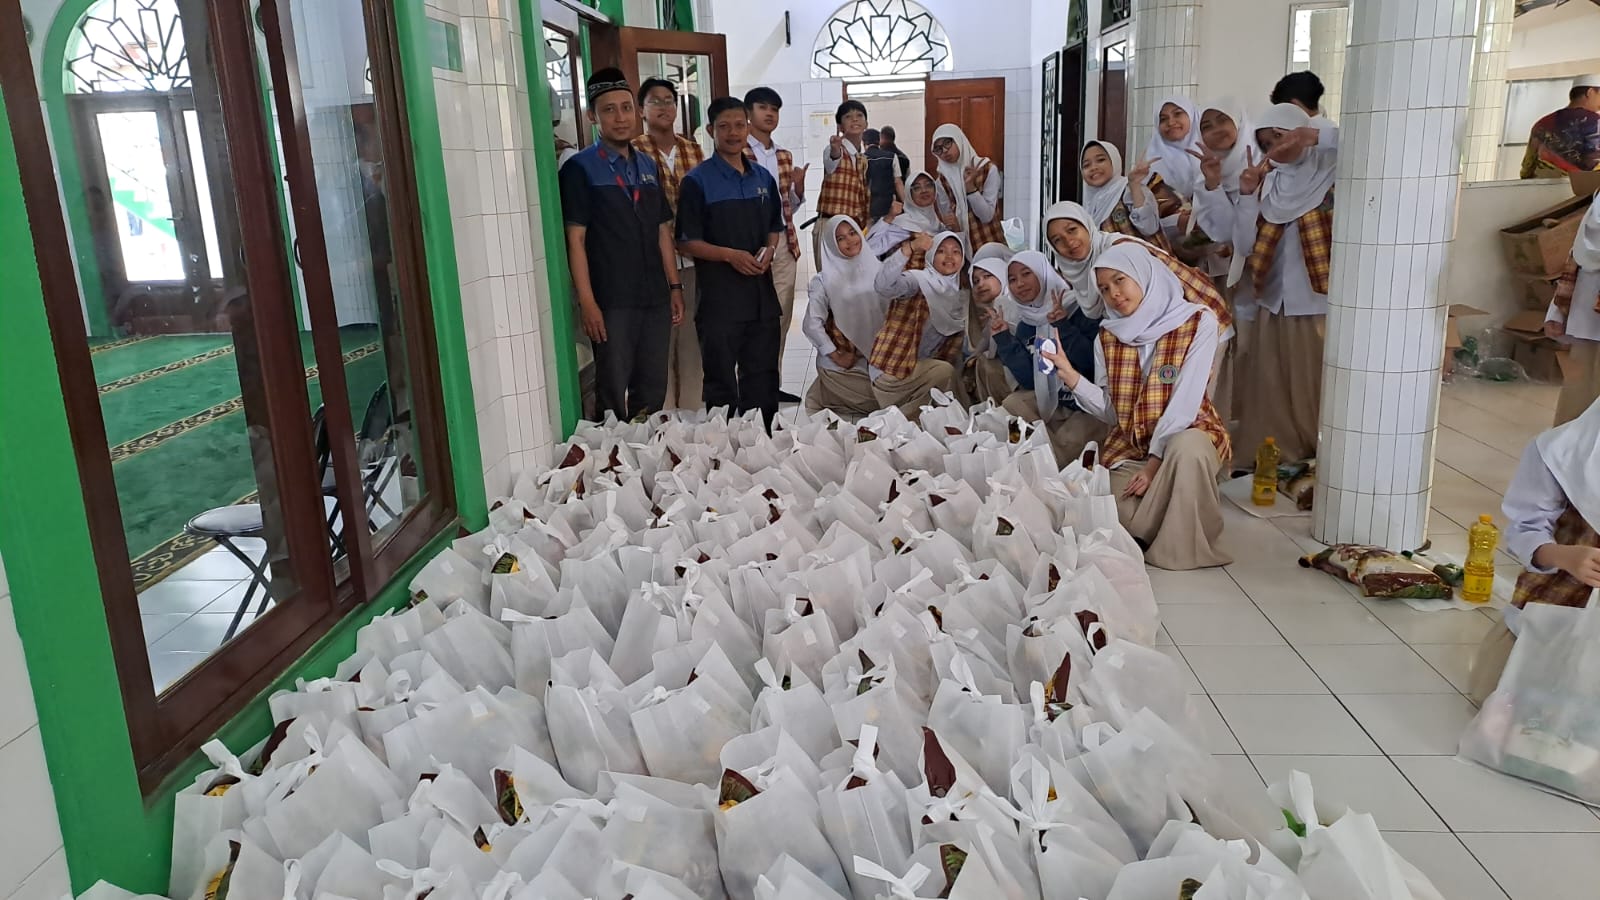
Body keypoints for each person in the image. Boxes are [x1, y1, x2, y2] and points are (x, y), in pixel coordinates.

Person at [1042, 242, 1231, 570]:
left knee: (1187, 449)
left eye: (1120, 280)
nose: (1114, 293)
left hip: (1187, 434)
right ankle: (1177, 507)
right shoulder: (1107, 336)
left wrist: (1154, 466)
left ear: (1144, 275)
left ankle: (1177, 549)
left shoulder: (1198, 322)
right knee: (1116, 514)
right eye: (1104, 288)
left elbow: (1185, 402)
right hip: (1132, 446)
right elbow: (1112, 410)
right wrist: (1070, 376)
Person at [560, 68, 684, 421]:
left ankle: (646, 449)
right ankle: (613, 453)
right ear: (592, 116)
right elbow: (575, 240)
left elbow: (662, 230)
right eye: (609, 109)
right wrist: (587, 302)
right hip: (611, 299)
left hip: (654, 295)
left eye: (626, 108)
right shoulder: (580, 169)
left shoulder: (647, 164)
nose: (620, 117)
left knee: (652, 386)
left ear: (637, 112)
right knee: (612, 388)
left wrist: (674, 286)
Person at [1467, 396, 1600, 705]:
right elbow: (1525, 529)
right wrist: (1566, 556)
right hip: (1566, 597)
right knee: (1516, 704)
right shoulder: (1559, 451)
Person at [1231, 102, 1337, 464]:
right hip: (1273, 303)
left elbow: (1373, 143)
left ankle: (1323, 454)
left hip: (1317, 305)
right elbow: (1244, 245)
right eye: (1265, 143)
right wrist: (1248, 194)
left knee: (1314, 386)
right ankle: (1279, 457)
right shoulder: (1270, 184)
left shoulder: (1332, 172)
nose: (1275, 147)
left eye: (1280, 136)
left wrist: (1317, 136)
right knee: (1272, 391)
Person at [675, 97, 786, 428]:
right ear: (711, 130)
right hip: (719, 300)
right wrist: (729, 255)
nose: (733, 133)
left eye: (739, 125)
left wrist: (769, 250)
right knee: (721, 382)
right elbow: (685, 241)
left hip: (761, 298)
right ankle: (722, 448)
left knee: (763, 378)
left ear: (748, 128)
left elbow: (774, 227)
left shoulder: (762, 178)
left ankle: (765, 442)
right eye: (724, 126)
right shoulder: (697, 181)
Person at [986, 252, 1107, 464]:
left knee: (1069, 441)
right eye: (1012, 279)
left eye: (1026, 274)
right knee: (1013, 405)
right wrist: (1004, 339)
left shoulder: (1080, 310)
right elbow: (1031, 380)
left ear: (1044, 274)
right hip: (1055, 400)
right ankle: (1045, 461)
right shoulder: (1027, 324)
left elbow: (1091, 365)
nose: (1020, 284)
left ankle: (1049, 464)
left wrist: (1063, 327)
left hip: (1088, 403)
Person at [632, 77, 706, 410]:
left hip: (691, 260)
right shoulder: (634, 150)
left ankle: (691, 416)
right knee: (658, 343)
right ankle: (662, 420)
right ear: (642, 110)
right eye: (655, 101)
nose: (664, 107)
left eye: (669, 100)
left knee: (691, 343)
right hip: (651, 263)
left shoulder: (692, 149)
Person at [743, 86, 808, 404]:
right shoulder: (739, 151)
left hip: (783, 242)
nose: (769, 114)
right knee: (750, 318)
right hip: (749, 243)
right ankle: (747, 386)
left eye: (774, 109)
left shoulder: (784, 155)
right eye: (763, 107)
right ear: (749, 112)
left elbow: (787, 206)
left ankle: (772, 384)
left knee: (780, 318)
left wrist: (798, 190)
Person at [868, 231, 966, 419]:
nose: (949, 257)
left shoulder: (959, 296)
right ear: (930, 255)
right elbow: (883, 286)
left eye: (956, 252)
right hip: (892, 372)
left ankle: (929, 420)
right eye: (941, 251)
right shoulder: (918, 280)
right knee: (945, 372)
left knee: (956, 370)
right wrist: (910, 248)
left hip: (917, 370)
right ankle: (959, 422)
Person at [802, 217, 889, 418]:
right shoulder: (823, 281)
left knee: (901, 389)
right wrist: (835, 355)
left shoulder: (878, 269)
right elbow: (811, 324)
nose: (850, 241)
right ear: (832, 245)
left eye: (852, 233)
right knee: (889, 400)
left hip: (877, 357)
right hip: (844, 364)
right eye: (840, 239)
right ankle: (829, 392)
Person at [1545, 193, 1600, 425]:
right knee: (1582, 397)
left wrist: (1556, 311)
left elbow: (1576, 256)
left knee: (1579, 397)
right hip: (1586, 314)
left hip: (1584, 314)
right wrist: (1556, 311)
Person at [1079, 140, 1170, 249]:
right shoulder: (1089, 208)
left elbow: (1149, 227)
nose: (1093, 167)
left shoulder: (1128, 190)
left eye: (1100, 160)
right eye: (1086, 165)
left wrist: (1135, 185)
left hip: (1148, 258)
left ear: (1114, 161)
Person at [930, 124, 1004, 249]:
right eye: (938, 149)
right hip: (962, 249)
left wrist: (971, 189)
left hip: (990, 243)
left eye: (947, 143)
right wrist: (953, 225)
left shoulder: (986, 169)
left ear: (959, 139)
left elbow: (986, 216)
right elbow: (949, 220)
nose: (944, 151)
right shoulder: (942, 182)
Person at [817, 99, 872, 266]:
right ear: (840, 127)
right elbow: (832, 160)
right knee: (831, 277)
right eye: (848, 116)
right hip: (830, 224)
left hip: (853, 227)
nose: (854, 119)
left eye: (859, 115)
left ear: (866, 124)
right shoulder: (835, 149)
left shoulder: (862, 159)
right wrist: (835, 148)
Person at [1521, 74, 1600, 179]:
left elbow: (1527, 168)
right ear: (1590, 92)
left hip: (1543, 185)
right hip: (1585, 186)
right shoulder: (1597, 122)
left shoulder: (1542, 124)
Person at [863, 128, 902, 221]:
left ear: (863, 142)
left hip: (867, 207)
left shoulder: (860, 159)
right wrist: (906, 204)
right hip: (887, 206)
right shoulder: (892, 156)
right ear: (879, 141)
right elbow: (898, 182)